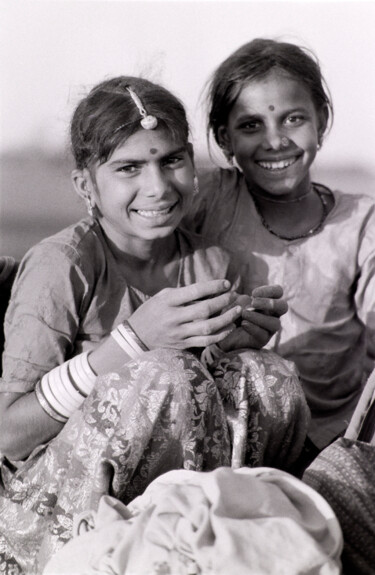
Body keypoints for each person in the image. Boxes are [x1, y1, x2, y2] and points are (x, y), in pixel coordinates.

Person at [0, 76, 309, 574]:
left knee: (268, 375)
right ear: (86, 185)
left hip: (168, 505)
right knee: (160, 373)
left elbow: (196, 404)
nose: (159, 187)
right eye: (129, 168)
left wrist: (230, 352)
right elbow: (8, 434)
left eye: (171, 160)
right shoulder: (63, 264)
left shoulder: (210, 262)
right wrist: (134, 341)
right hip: (48, 512)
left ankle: (204, 545)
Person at [183, 37, 375, 459]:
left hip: (331, 444)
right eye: (251, 125)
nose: (275, 142)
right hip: (223, 435)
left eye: (292, 119)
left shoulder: (361, 224)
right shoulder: (208, 201)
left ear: (321, 121)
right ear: (224, 137)